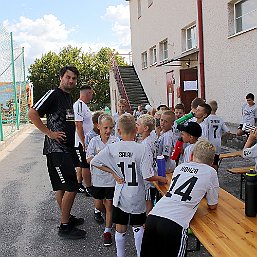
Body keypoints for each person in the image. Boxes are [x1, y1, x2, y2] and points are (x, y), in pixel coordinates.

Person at [91, 113, 167, 257]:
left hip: (120, 194)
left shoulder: (113, 147)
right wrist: (161, 178)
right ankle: (140, 253)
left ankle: (120, 255)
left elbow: (95, 161)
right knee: (138, 227)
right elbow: (147, 176)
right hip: (137, 193)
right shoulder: (141, 149)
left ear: (118, 131)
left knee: (120, 227)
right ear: (135, 130)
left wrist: (113, 173)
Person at [28, 65, 86, 239]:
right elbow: (32, 113)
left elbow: (69, 121)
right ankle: (64, 226)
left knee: (61, 187)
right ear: (61, 77)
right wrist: (49, 133)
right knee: (71, 186)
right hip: (56, 149)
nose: (71, 81)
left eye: (74, 78)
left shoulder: (68, 98)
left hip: (67, 148)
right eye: (68, 77)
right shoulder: (53, 93)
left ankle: (66, 217)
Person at [140, 139, 219, 257]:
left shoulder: (180, 167)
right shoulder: (211, 172)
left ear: (191, 156)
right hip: (174, 224)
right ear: (212, 161)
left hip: (154, 216)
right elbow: (212, 205)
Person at [86, 114, 120, 246]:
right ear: (98, 127)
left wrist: (99, 161)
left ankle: (107, 231)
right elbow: (89, 159)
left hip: (112, 181)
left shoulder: (115, 141)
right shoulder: (94, 141)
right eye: (105, 127)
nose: (108, 131)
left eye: (110, 128)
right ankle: (109, 218)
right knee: (99, 205)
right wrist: (99, 162)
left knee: (109, 204)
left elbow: (117, 159)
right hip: (98, 180)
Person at [136, 114, 163, 214]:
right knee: (151, 198)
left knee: (148, 201)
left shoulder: (145, 145)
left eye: (138, 124)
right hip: (154, 172)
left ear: (145, 128)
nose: (136, 126)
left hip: (149, 177)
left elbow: (146, 163)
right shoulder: (153, 138)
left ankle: (148, 221)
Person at [73, 85, 94, 196]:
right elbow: (78, 124)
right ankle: (88, 187)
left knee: (82, 165)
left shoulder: (83, 105)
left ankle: (79, 184)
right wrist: (84, 141)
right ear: (87, 93)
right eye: (91, 93)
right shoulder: (79, 105)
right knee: (85, 165)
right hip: (82, 142)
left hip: (85, 141)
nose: (92, 96)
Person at [206, 100, 230, 170]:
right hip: (217, 143)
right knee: (215, 162)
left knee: (207, 162)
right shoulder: (220, 119)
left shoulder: (207, 119)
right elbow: (228, 132)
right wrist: (221, 137)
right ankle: (215, 176)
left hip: (209, 142)